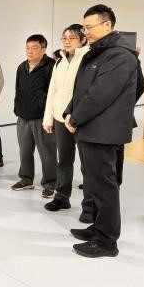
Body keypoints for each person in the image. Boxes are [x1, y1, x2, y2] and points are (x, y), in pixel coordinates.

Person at [65, 4, 144, 258]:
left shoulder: (120, 55)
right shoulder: (100, 52)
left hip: (103, 132)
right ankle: (97, 227)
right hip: (93, 128)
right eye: (84, 27)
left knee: (104, 185)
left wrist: (78, 117)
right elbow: (83, 89)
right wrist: (70, 110)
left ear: (107, 25)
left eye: (89, 27)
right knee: (94, 183)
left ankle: (106, 241)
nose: (85, 31)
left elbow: (101, 93)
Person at [42, 24, 90, 214]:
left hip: (81, 120)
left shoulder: (87, 59)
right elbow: (52, 91)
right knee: (64, 161)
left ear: (83, 39)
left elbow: (89, 93)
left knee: (88, 165)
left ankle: (90, 206)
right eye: (64, 38)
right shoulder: (59, 61)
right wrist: (48, 118)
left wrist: (76, 116)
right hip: (60, 119)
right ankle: (62, 198)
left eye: (72, 38)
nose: (67, 41)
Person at [11, 34, 57, 198]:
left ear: (44, 49)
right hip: (23, 117)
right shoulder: (21, 67)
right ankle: (26, 179)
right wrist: (17, 109)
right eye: (27, 48)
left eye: (34, 48)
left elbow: (54, 93)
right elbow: (18, 89)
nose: (30, 51)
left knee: (47, 153)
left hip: (42, 118)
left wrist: (48, 114)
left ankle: (50, 183)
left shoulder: (51, 66)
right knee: (24, 151)